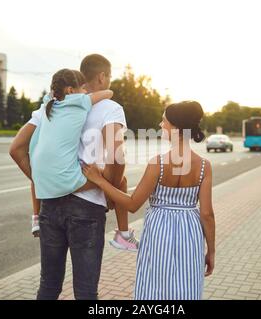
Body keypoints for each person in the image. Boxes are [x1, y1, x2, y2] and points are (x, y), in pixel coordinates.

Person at [9, 54, 135, 300]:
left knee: (48, 286)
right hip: (87, 207)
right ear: (102, 76)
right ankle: (125, 235)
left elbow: (16, 149)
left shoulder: (49, 107)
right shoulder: (110, 108)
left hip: (50, 205)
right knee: (86, 292)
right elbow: (117, 157)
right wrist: (108, 186)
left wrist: (43, 181)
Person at [82, 101, 216, 300]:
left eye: (164, 121)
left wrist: (99, 180)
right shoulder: (204, 166)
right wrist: (211, 251)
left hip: (158, 232)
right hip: (190, 232)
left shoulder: (158, 164)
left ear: (177, 128)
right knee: (187, 287)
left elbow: (133, 204)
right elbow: (207, 214)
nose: (161, 125)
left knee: (154, 288)